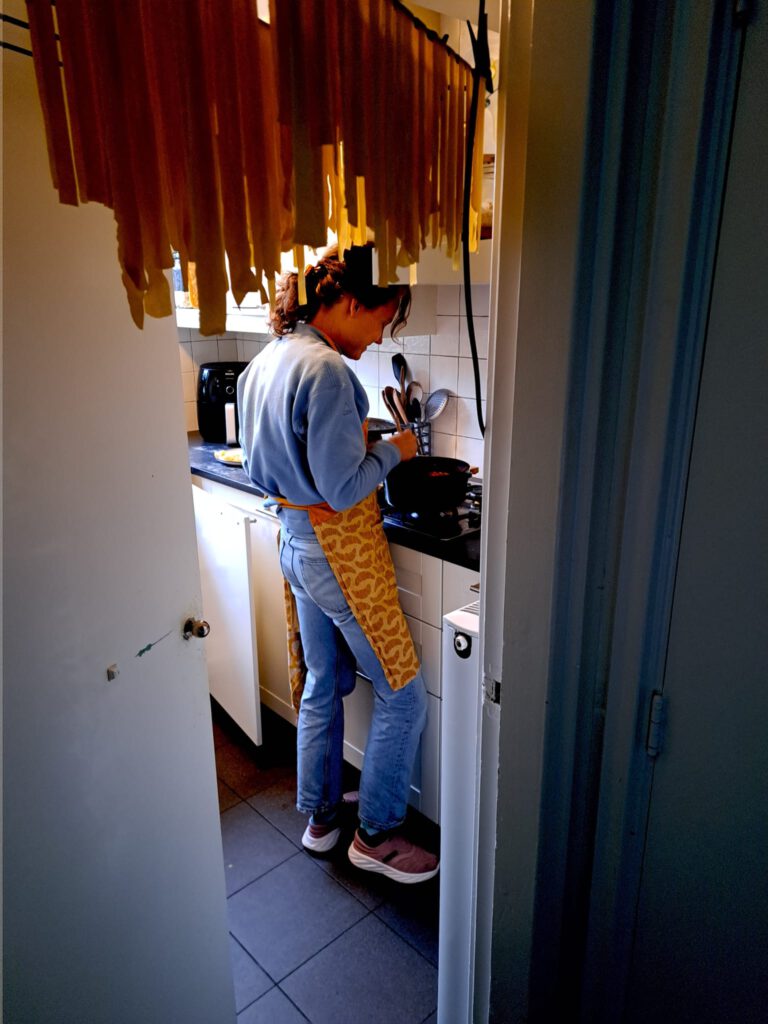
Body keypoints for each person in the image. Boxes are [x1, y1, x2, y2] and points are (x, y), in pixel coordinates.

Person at [237, 244, 439, 884]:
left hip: (293, 539)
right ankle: (376, 835)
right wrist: (398, 450)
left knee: (324, 680)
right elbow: (344, 487)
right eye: (379, 320)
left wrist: (360, 447)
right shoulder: (325, 371)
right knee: (404, 691)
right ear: (349, 302)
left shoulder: (267, 361)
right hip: (337, 548)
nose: (379, 335)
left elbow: (277, 465)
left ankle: (322, 819)